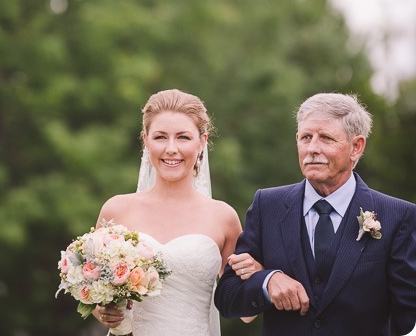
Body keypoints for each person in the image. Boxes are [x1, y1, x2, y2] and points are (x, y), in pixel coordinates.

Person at [215, 92, 416, 336]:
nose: (312, 149)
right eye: (306, 137)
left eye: (326, 138)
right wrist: (268, 281)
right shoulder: (267, 205)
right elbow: (227, 297)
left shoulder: (399, 216)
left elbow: (408, 317)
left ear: (356, 147)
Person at [93, 88, 261, 335]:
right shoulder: (116, 210)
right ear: (145, 140)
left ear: (202, 142)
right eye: (160, 137)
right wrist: (103, 311)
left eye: (183, 137)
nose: (171, 148)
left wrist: (255, 274)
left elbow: (244, 312)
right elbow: (97, 297)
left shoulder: (222, 217)